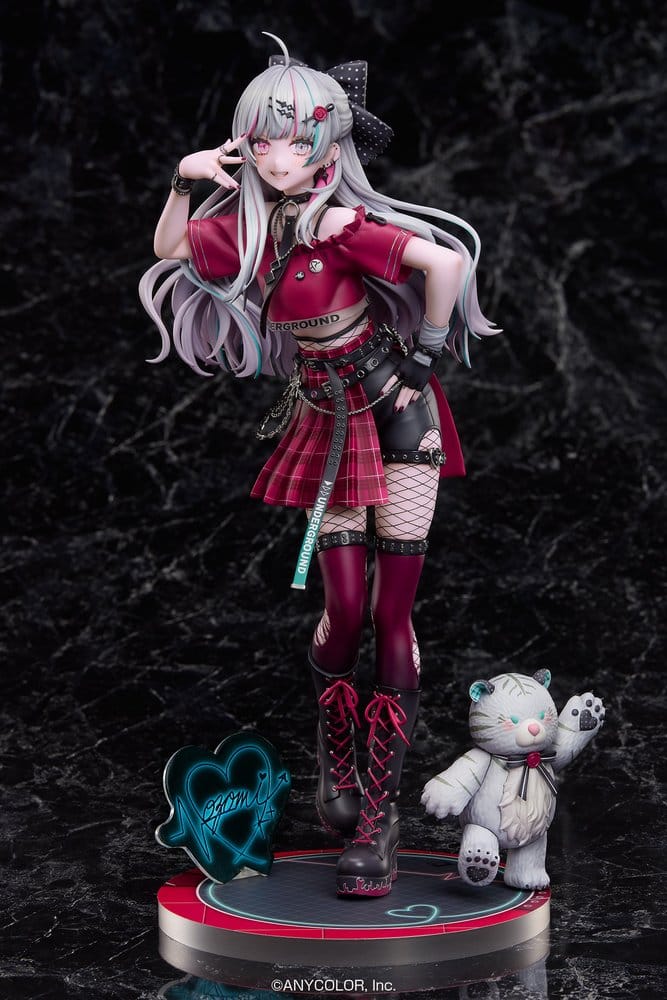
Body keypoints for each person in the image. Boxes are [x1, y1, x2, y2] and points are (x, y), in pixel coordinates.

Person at [139, 33, 500, 898]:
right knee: (340, 610)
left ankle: (376, 813)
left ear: (329, 149)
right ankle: (337, 753)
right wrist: (187, 178)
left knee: (390, 613)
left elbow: (444, 262)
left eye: (298, 143)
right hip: (326, 420)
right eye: (265, 140)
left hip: (397, 413)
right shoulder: (245, 233)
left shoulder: (339, 224)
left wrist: (423, 357)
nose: (279, 158)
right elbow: (170, 251)